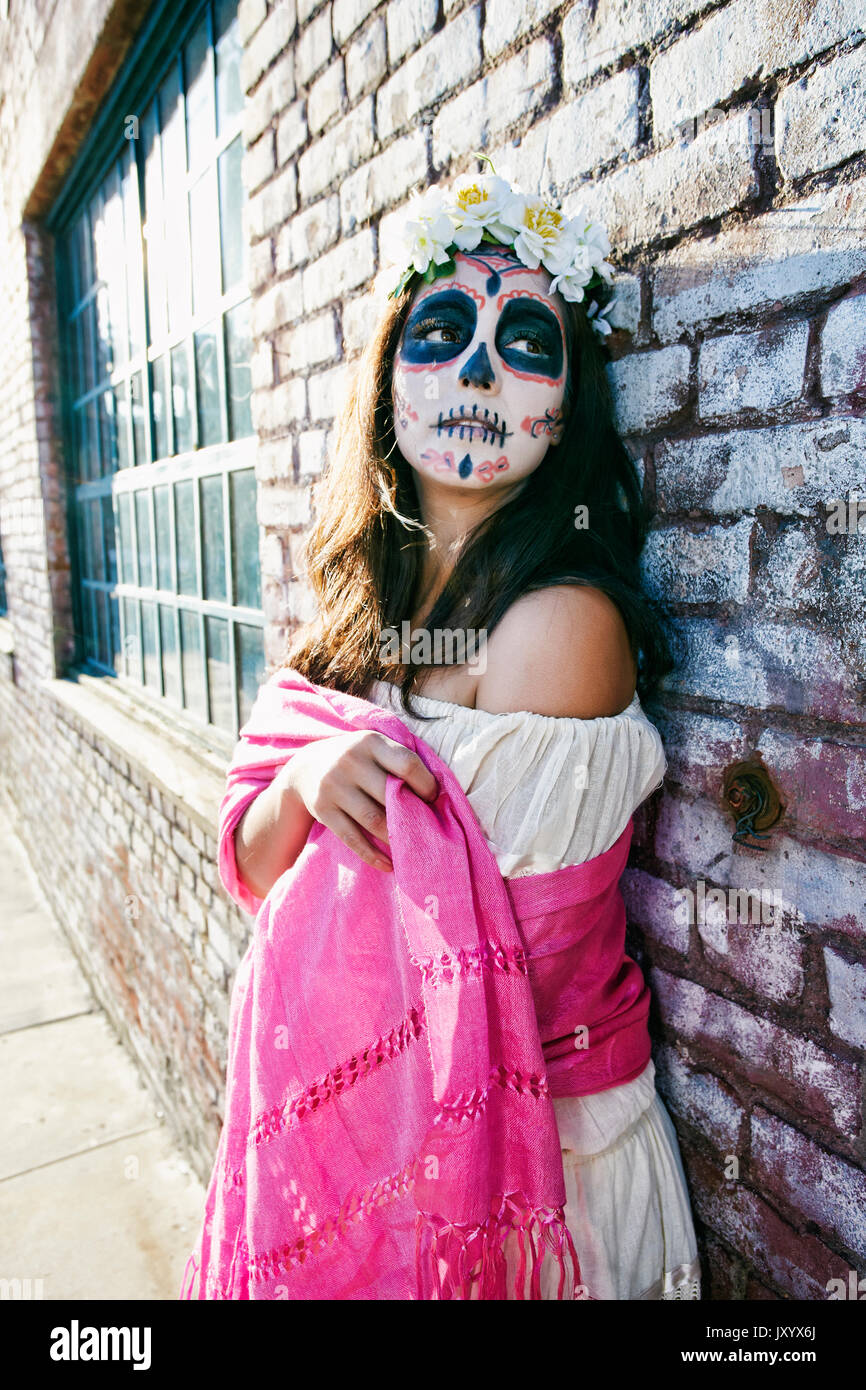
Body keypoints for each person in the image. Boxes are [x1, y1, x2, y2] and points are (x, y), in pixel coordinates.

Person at [188, 173, 701, 1300]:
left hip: (523, 1185)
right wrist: (310, 778)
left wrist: (324, 829)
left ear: (568, 407)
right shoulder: (354, 626)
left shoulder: (557, 628)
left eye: (523, 339)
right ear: (389, 380)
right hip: (371, 1172)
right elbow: (255, 855)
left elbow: (490, 970)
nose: (475, 368)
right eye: (440, 331)